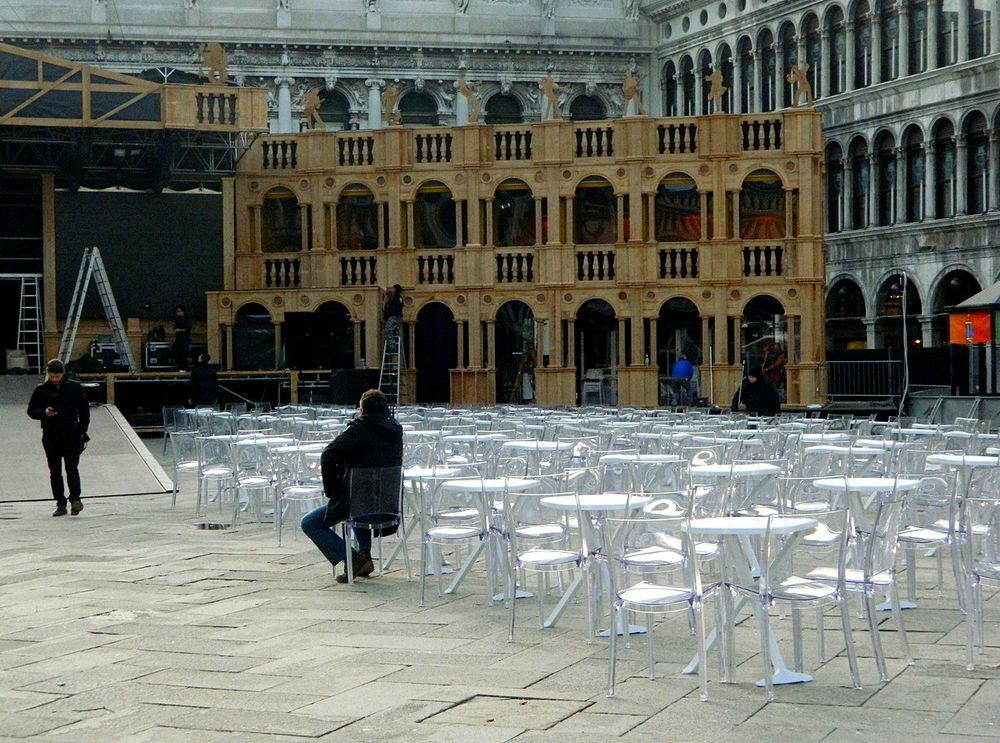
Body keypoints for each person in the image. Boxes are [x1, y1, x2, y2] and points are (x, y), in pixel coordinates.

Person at [301, 389, 403, 584]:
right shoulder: (396, 429)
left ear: (363, 410)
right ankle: (364, 556)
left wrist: (333, 490)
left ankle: (353, 558)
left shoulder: (360, 429)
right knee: (360, 499)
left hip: (362, 507)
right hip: (388, 508)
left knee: (310, 523)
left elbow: (328, 454)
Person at [27, 359, 91, 517]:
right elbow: (31, 410)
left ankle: (75, 499)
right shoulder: (41, 390)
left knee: (72, 468)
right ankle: (60, 503)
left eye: (57, 376)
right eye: (52, 376)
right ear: (48, 374)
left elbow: (84, 409)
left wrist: (82, 430)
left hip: (71, 434)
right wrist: (44, 412)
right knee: (54, 470)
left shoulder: (74, 387)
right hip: (51, 435)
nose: (54, 379)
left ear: (63, 374)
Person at [172, 305, 191, 370]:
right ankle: (179, 366)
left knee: (183, 353)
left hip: (184, 338)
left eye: (178, 311)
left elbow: (187, 329)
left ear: (182, 312)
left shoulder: (186, 319)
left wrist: (179, 330)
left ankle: (184, 367)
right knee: (176, 351)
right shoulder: (177, 319)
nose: (177, 313)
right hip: (178, 338)